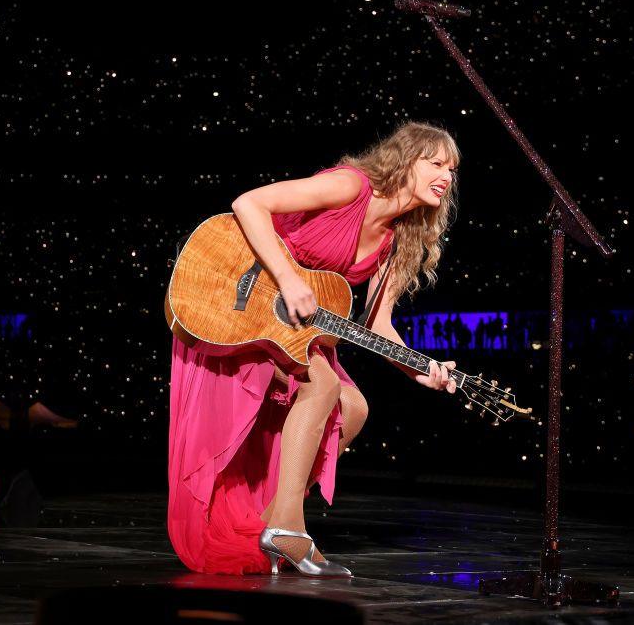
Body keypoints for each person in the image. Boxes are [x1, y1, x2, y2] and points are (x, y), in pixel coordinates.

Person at [167, 121, 461, 576]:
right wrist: (287, 279)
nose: (447, 175)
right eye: (437, 163)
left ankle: (270, 523)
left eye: (453, 169)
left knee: (355, 408)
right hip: (246, 303)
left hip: (299, 332)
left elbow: (377, 323)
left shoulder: (402, 240)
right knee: (321, 387)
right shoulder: (350, 186)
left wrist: (418, 369)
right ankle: (287, 529)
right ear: (405, 161)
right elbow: (249, 203)